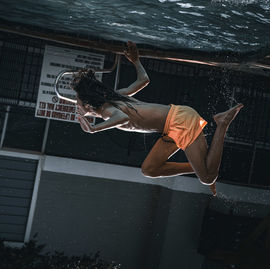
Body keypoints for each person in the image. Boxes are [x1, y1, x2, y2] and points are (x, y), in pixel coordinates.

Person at [71, 41, 243, 196]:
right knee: (149, 169)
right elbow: (144, 80)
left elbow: (122, 118)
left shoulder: (107, 111)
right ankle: (196, 167)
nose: (76, 104)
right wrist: (136, 60)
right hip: (173, 126)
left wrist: (94, 129)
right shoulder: (116, 96)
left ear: (88, 104)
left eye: (78, 101)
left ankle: (222, 124)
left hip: (180, 122)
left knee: (207, 178)